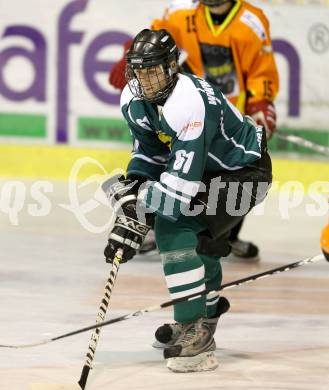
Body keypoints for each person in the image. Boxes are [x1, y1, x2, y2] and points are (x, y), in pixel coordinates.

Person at [103, 28, 272, 372]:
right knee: (200, 241)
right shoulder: (132, 101)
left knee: (174, 225)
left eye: (153, 70)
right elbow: (149, 156)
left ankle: (195, 331)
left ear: (171, 68)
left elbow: (177, 195)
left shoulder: (189, 102)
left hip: (245, 174)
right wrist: (133, 199)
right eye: (138, 70)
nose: (145, 79)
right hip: (210, 173)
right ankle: (201, 317)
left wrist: (138, 211)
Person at [109, 0, 279, 259]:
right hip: (181, 105)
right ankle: (171, 228)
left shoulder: (251, 22)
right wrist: (129, 56)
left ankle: (223, 236)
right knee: (179, 161)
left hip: (224, 112)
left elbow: (260, 68)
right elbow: (154, 38)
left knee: (228, 171)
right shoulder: (180, 12)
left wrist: (261, 101)